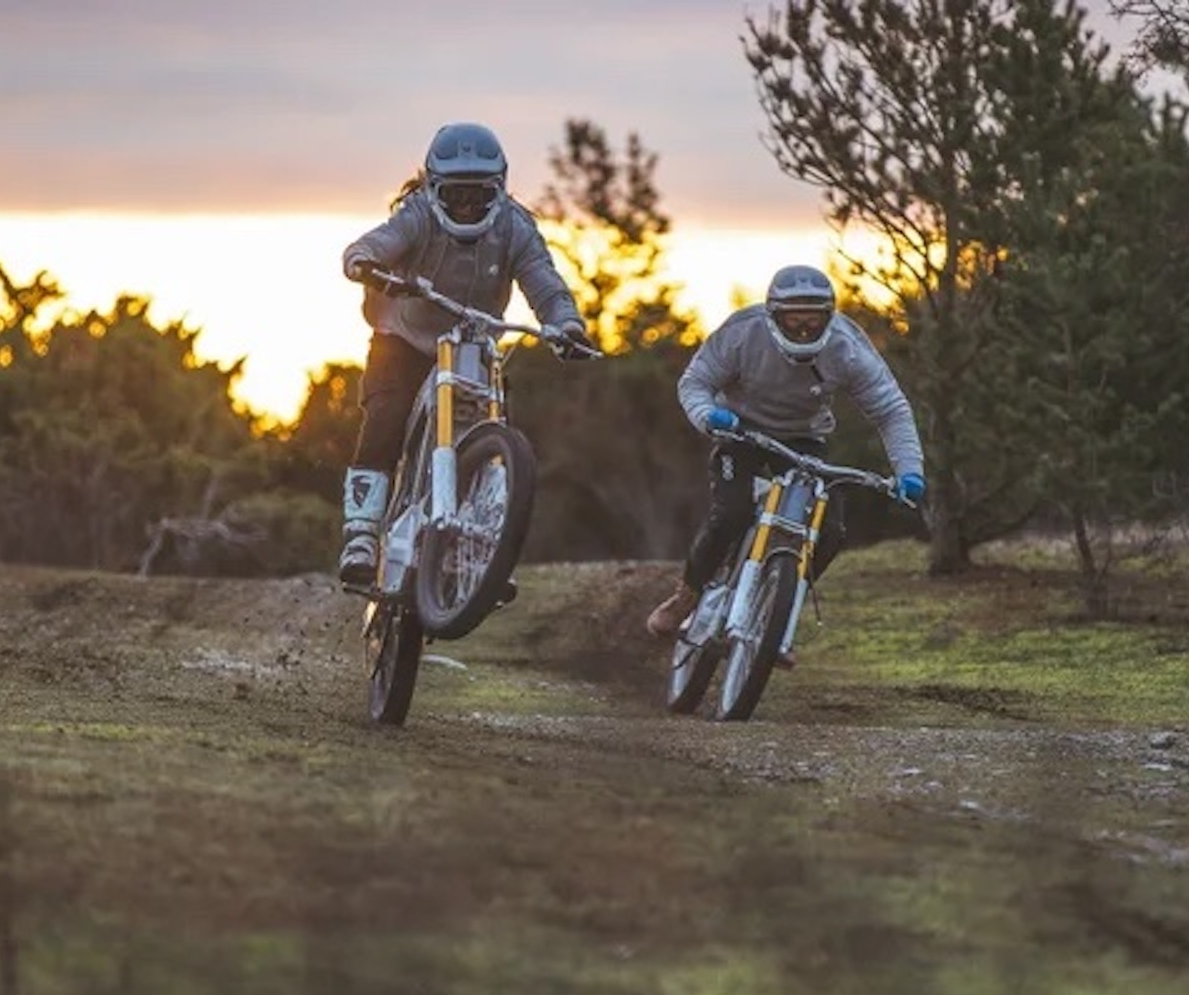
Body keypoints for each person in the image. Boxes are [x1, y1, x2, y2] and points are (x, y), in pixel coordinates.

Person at [337, 121, 598, 587]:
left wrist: (567, 325)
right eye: (456, 193)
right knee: (386, 417)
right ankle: (361, 533)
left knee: (492, 430)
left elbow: (545, 282)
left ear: (497, 189)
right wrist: (364, 262)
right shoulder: (415, 215)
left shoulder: (516, 227)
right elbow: (375, 243)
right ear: (434, 187)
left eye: (477, 193)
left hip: (472, 343)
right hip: (403, 338)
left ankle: (483, 548)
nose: (466, 203)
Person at [645, 263, 927, 648]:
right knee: (731, 513)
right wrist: (708, 416)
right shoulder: (741, 333)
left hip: (804, 438)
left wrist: (909, 472)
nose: (805, 329)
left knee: (829, 532)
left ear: (830, 316)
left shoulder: (848, 347)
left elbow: (891, 409)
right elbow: (696, 381)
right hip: (738, 429)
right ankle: (687, 598)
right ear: (773, 315)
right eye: (794, 319)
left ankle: (776, 613)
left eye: (814, 319)